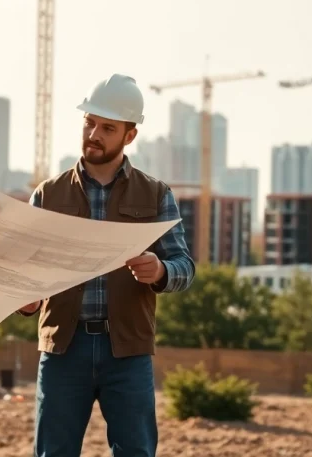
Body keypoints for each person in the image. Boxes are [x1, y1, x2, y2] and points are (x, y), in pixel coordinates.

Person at [17, 73, 196, 457]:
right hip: (63, 349)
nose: (93, 133)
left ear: (129, 135)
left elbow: (185, 266)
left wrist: (162, 272)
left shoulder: (156, 194)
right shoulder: (47, 194)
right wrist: (25, 298)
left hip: (127, 352)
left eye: (107, 127)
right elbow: (24, 273)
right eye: (89, 122)